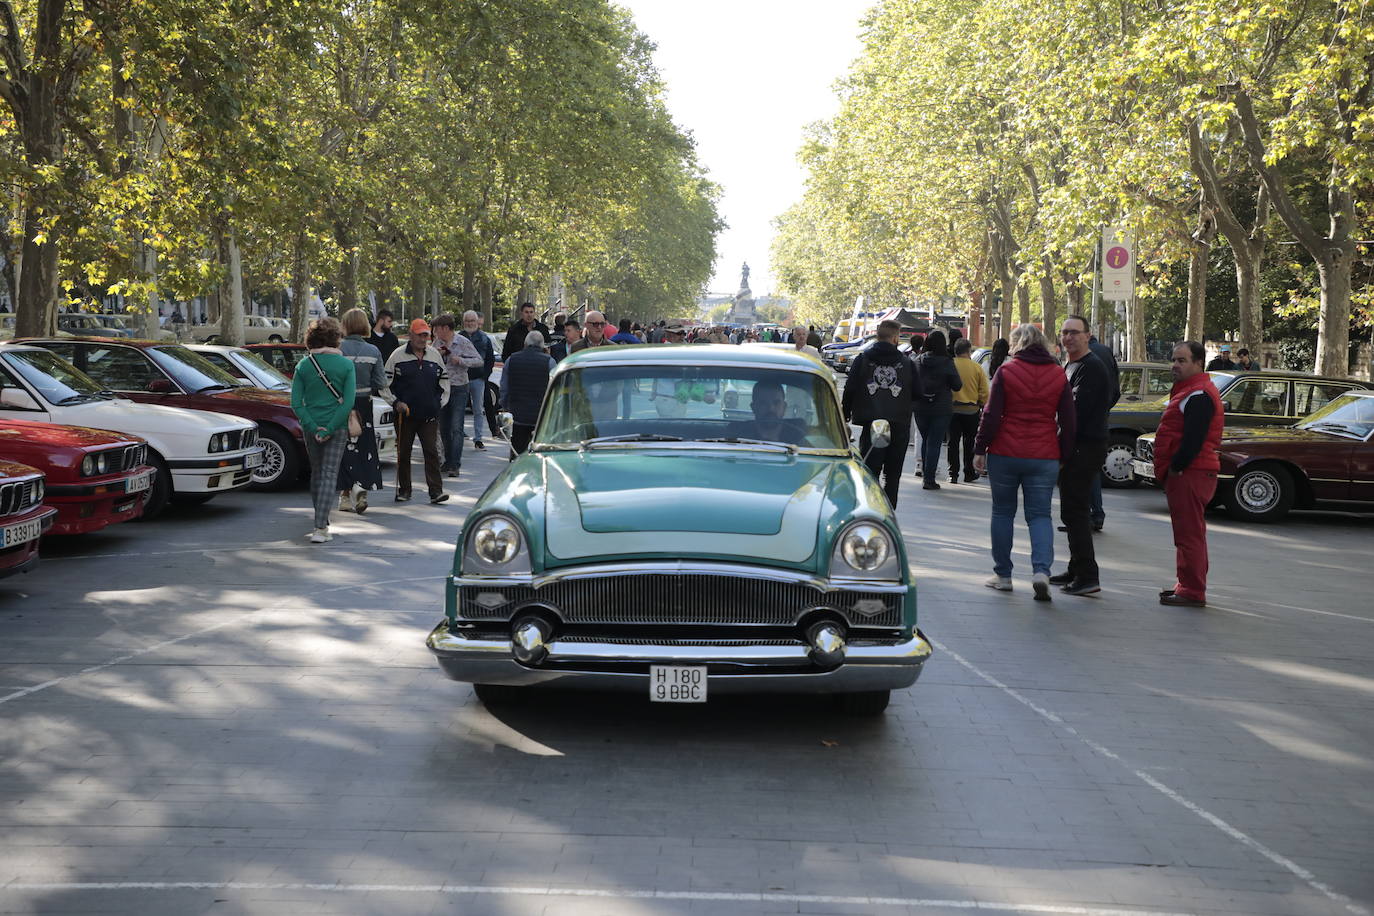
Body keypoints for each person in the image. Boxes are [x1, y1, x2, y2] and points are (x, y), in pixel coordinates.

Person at [973, 324, 1076, 601]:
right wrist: (1064, 454)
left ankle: (1003, 575)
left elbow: (991, 414)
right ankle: (1041, 571)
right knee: (1040, 515)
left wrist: (980, 447)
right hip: (1043, 455)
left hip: (1005, 453)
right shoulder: (1058, 374)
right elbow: (1068, 419)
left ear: (1016, 344)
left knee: (1003, 512)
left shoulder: (1006, 371)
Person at [1155, 341, 1224, 607]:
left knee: (1189, 533)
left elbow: (1193, 440)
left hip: (1191, 472)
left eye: (1182, 360)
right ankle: (1187, 585)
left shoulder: (1198, 394)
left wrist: (1176, 467)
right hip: (1191, 471)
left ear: (1198, 363)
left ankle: (1192, 590)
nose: (1175, 365)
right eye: (1174, 359)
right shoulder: (1190, 392)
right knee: (1188, 532)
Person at [1048, 315, 1113, 597]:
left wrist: (1063, 450)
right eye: (1064, 333)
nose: (1068, 337)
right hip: (1077, 446)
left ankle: (1087, 575)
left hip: (1084, 447)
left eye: (1074, 332)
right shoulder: (1071, 364)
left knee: (1075, 512)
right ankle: (1076, 568)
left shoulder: (1092, 368)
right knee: (1072, 511)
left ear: (1088, 335)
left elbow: (1075, 415)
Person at [291, 317, 356, 544]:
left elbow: (296, 403)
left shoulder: (303, 366)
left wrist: (311, 425)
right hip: (336, 427)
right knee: (329, 473)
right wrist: (330, 427)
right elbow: (348, 403)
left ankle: (322, 522)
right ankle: (320, 527)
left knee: (317, 473)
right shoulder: (347, 365)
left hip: (311, 426)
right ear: (336, 338)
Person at [841, 320, 915, 505]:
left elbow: (850, 388)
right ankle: (889, 514)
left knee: (869, 473)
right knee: (893, 475)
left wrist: (845, 412)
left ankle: (869, 508)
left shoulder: (863, 359)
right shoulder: (907, 363)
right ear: (895, 337)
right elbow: (918, 392)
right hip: (898, 423)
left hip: (871, 422)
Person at [383, 319, 450, 504]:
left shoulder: (435, 355)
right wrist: (395, 402)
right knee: (403, 452)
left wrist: (439, 403)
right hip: (405, 415)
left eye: (425, 335)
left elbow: (444, 382)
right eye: (419, 335)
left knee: (431, 452)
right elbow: (384, 384)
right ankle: (404, 490)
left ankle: (436, 492)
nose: (423, 338)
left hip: (429, 414)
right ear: (411, 335)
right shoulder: (397, 356)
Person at [336, 308, 386, 515]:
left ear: (345, 325)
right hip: (364, 403)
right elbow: (380, 382)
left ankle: (345, 496)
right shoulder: (373, 351)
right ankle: (362, 489)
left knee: (343, 448)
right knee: (364, 447)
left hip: (341, 404)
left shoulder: (337, 349)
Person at [432, 314, 483, 478]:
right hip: (442, 388)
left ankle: (455, 464)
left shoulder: (462, 341)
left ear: (445, 328)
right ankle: (448, 461)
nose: (435, 332)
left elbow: (478, 360)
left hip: (459, 387)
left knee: (456, 426)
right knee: (444, 427)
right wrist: (437, 354)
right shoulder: (437, 343)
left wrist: (460, 360)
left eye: (437, 329)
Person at [912, 330, 962, 490]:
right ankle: (929, 479)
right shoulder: (947, 362)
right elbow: (957, 385)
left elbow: (912, 382)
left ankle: (926, 475)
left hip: (920, 406)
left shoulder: (918, 360)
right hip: (941, 407)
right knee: (934, 443)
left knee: (926, 440)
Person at [500, 331, 557, 459]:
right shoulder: (550, 362)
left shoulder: (511, 360)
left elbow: (504, 387)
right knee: (539, 455)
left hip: (517, 415)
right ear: (543, 346)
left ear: (525, 343)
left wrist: (505, 406)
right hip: (541, 416)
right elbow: (554, 389)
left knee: (517, 454)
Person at [1085, 333, 1121, 530]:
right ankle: (1095, 513)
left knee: (1086, 470)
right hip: (1100, 420)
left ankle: (1091, 514)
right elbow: (1116, 390)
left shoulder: (1085, 356)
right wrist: (1105, 408)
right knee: (1092, 470)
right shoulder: (1106, 352)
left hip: (1087, 424)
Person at [947, 338, 989, 484]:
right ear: (969, 351)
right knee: (969, 442)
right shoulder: (976, 367)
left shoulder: (950, 364)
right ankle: (969, 472)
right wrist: (982, 403)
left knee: (952, 442)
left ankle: (953, 473)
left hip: (952, 409)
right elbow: (984, 391)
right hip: (971, 410)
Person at [725, 380, 807, 445]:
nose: (771, 408)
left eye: (776, 403)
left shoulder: (797, 437)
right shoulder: (736, 435)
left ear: (784, 407)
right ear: (753, 407)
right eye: (763, 403)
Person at [460, 310, 496, 450]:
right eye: (467, 321)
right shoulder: (458, 337)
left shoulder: (484, 338)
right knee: (459, 408)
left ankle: (478, 439)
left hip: (478, 379)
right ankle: (459, 434)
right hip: (461, 378)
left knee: (478, 409)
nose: (469, 323)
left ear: (477, 322)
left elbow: (490, 359)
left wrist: (485, 376)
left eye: (472, 321)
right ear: (463, 323)